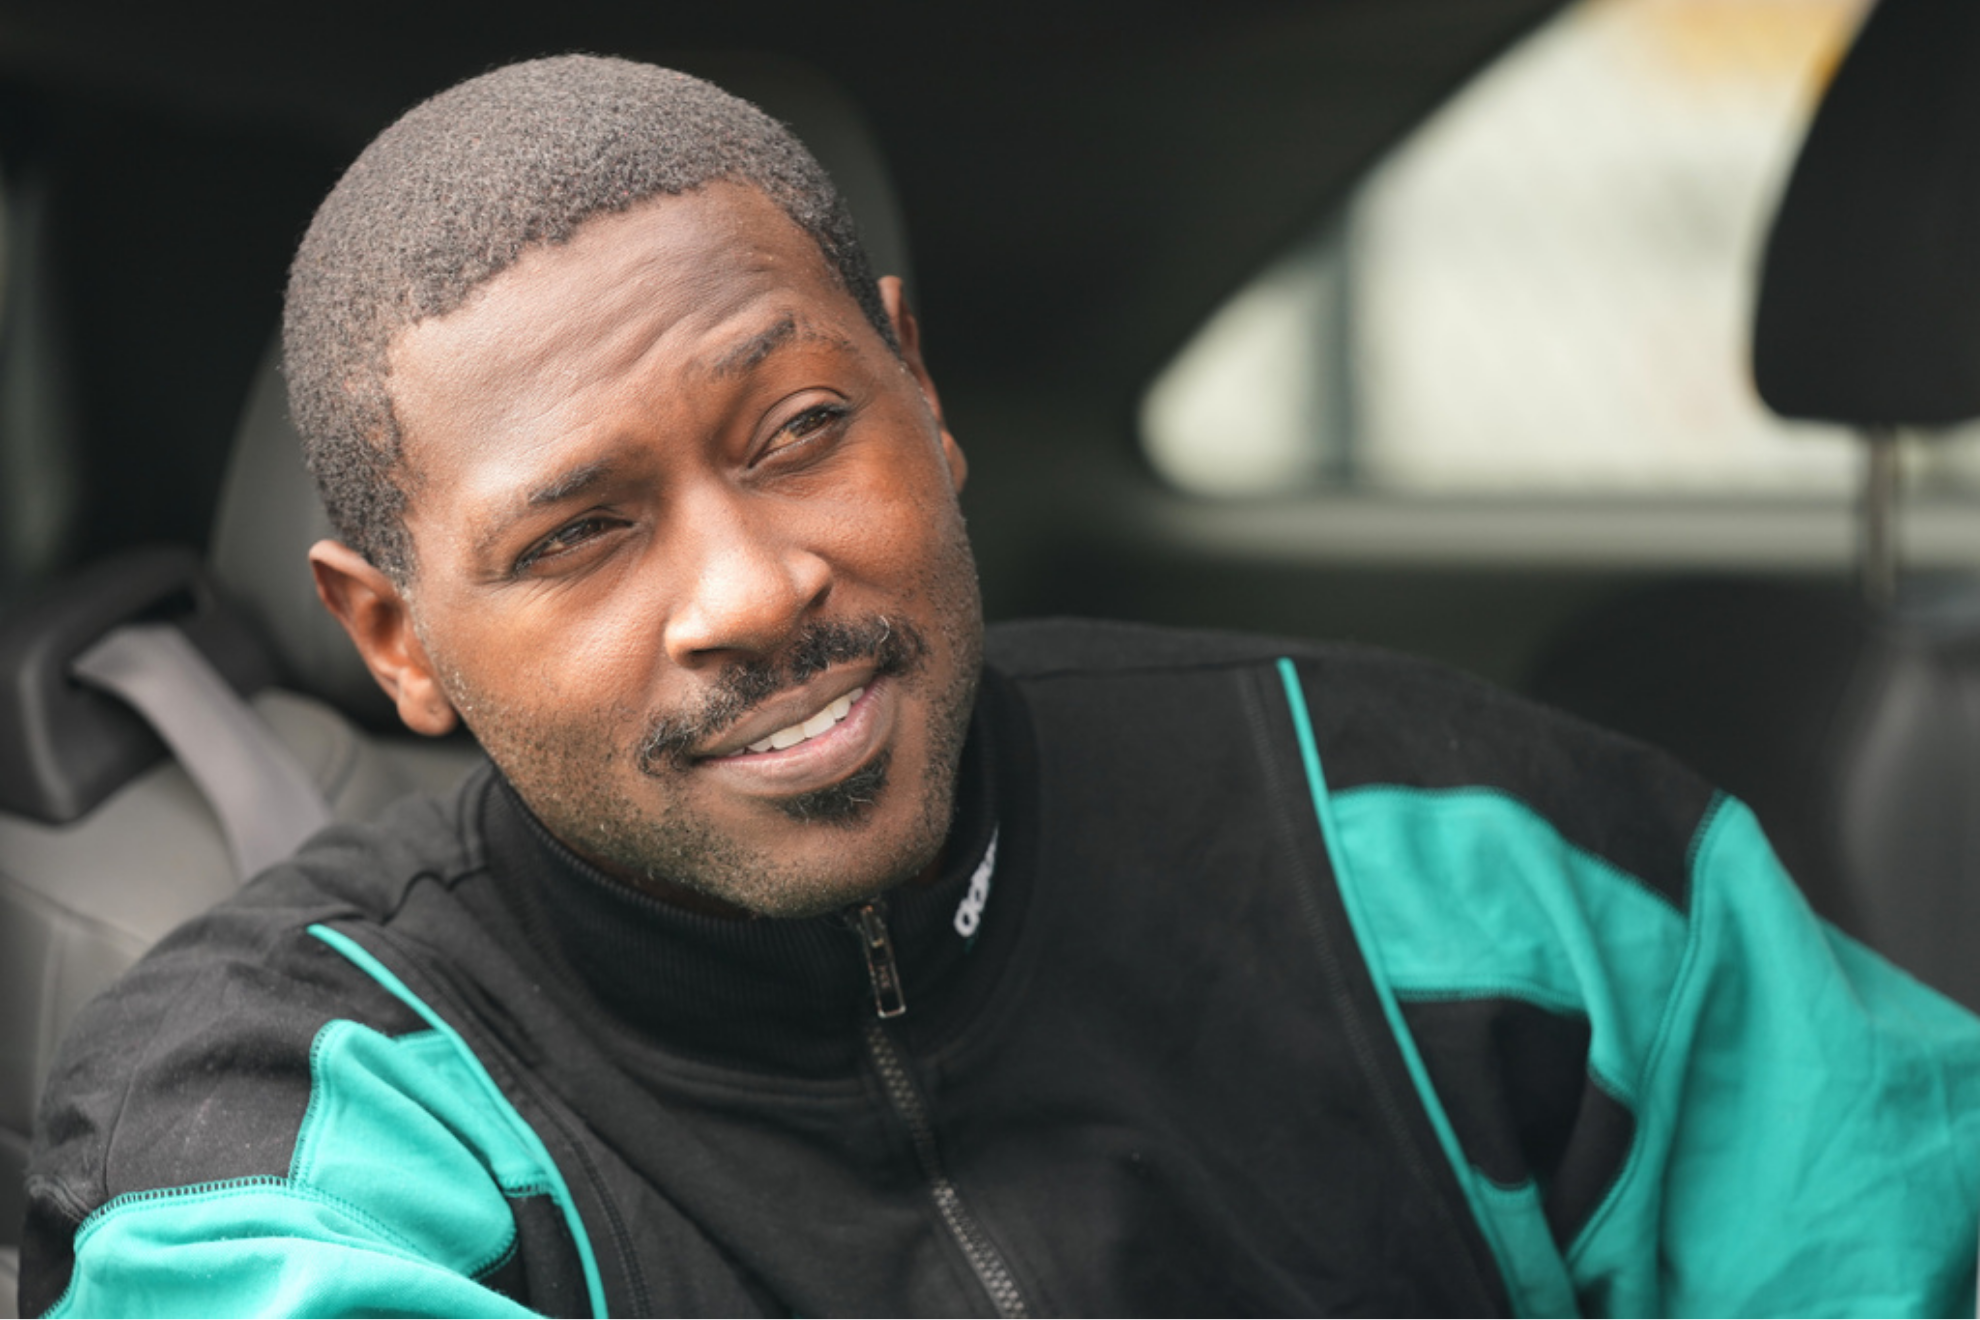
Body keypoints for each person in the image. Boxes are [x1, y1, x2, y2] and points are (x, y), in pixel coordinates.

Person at [19, 54, 1980, 1318]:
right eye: (583, 534)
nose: (753, 589)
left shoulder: (1460, 848)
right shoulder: (286, 1107)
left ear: (920, 388)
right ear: (396, 639)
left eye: (801, 431)